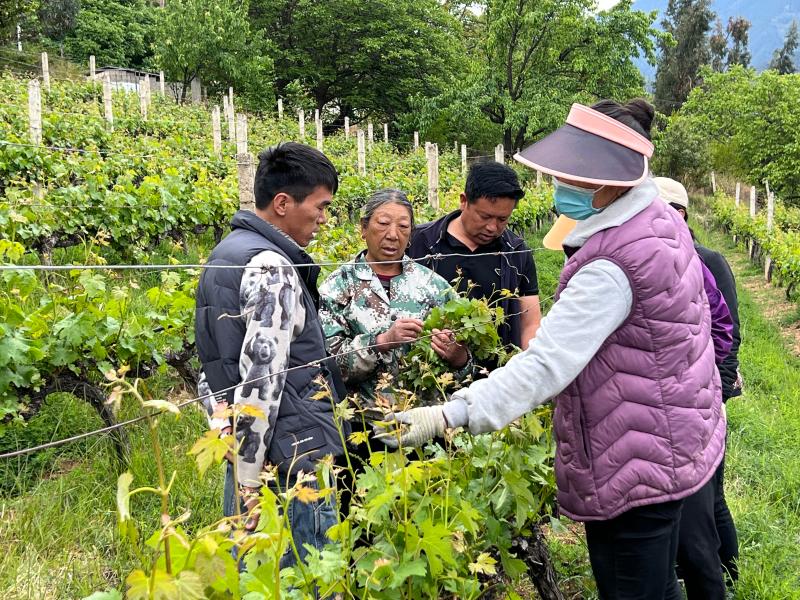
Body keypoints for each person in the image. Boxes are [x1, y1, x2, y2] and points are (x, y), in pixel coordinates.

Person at [378, 99, 727, 600]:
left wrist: (448, 415)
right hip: (670, 434)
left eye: (572, 175)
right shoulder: (658, 220)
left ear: (608, 179)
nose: (561, 185)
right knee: (657, 584)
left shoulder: (612, 265)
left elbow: (547, 362)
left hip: (634, 456)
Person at [194, 142, 348, 567]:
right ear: (282, 203)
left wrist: (222, 425)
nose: (323, 219)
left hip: (243, 446)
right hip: (289, 457)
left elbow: (212, 359)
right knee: (308, 575)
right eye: (320, 206)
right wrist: (249, 478)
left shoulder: (224, 254)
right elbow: (263, 377)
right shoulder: (272, 267)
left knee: (251, 575)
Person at [656, 176, 742, 591]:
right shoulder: (655, 261)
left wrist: (718, 392)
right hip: (679, 402)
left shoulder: (708, 261)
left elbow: (729, 333)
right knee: (688, 503)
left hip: (706, 397)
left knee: (710, 499)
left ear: (682, 213)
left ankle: (728, 574)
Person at [319, 189, 471, 411]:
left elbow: (467, 368)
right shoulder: (337, 287)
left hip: (425, 421)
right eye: (383, 224)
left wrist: (460, 358)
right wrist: (381, 342)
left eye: (403, 227)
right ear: (363, 228)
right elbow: (327, 368)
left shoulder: (435, 286)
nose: (393, 235)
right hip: (364, 422)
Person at [407, 162, 541, 368]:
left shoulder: (516, 252)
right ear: (464, 201)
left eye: (503, 219)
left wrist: (527, 368)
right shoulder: (420, 242)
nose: (492, 227)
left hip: (497, 375)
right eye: (485, 216)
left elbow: (530, 322)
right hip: (430, 371)